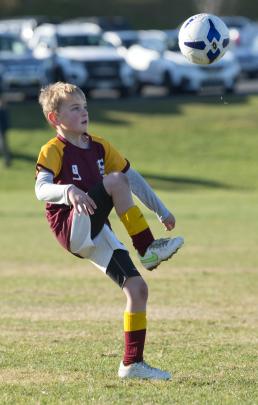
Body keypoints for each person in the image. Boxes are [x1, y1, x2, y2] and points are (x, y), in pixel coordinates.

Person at [35, 82, 184, 380]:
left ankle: (132, 364)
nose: (84, 112)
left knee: (138, 290)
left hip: (95, 229)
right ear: (55, 118)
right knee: (114, 182)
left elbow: (134, 179)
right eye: (75, 108)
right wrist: (68, 192)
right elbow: (41, 189)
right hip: (71, 227)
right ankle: (147, 249)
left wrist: (162, 210)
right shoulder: (53, 150)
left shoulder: (100, 146)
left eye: (85, 107)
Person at [0, 94, 11, 167]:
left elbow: (5, 122)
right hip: (2, 130)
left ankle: (7, 161)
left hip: (2, 130)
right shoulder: (3, 110)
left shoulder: (2, 110)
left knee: (3, 146)